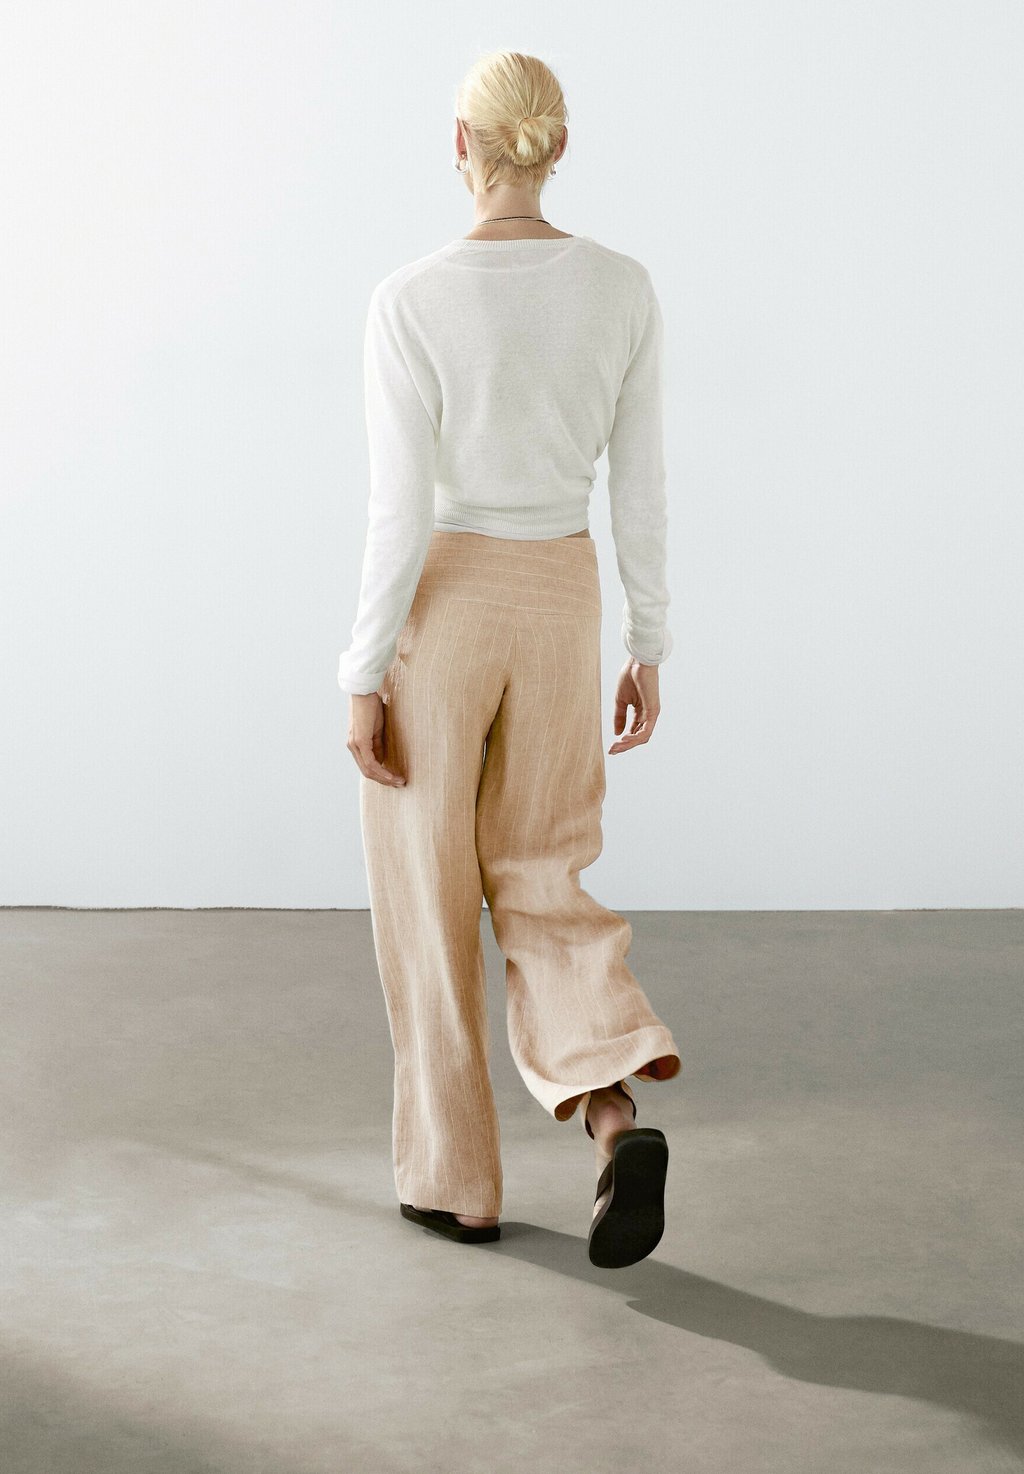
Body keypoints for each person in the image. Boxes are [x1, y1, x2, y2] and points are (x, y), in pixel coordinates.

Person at [338, 50, 682, 1268]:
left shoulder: (410, 299)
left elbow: (396, 512)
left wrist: (361, 672)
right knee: (545, 872)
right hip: (560, 597)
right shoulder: (622, 289)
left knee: (428, 897)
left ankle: (456, 1182)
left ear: (460, 145)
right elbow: (638, 486)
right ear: (557, 145)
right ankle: (611, 1114)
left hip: (446, 602)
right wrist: (646, 640)